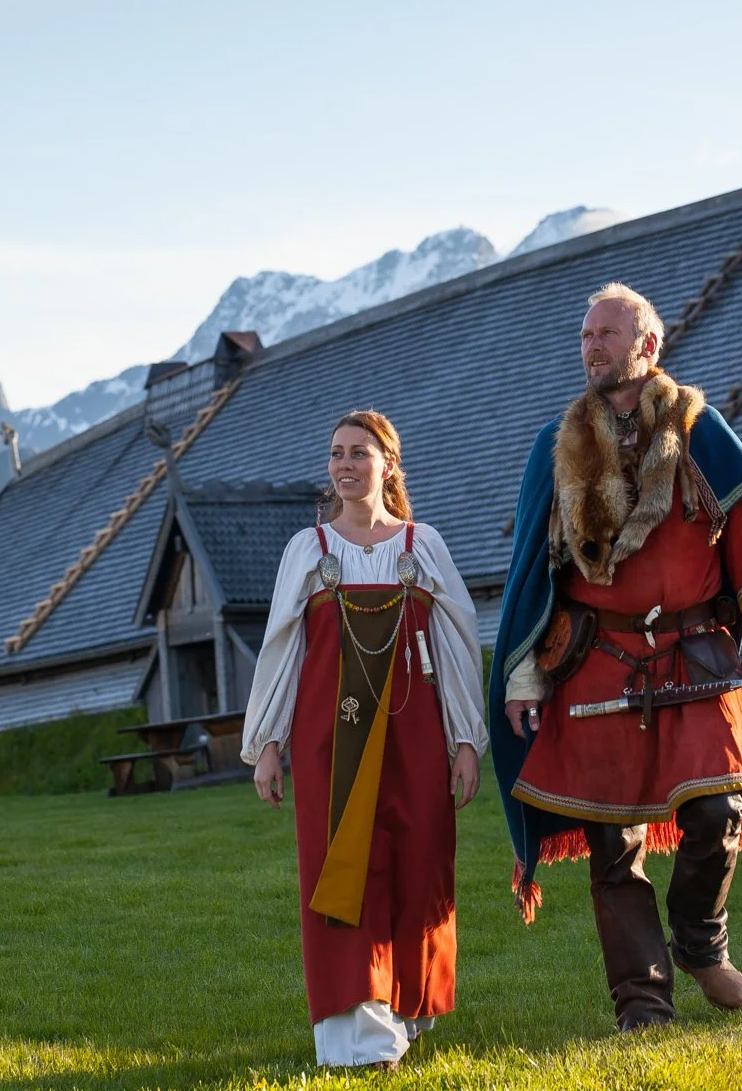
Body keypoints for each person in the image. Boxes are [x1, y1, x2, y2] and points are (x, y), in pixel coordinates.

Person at [487, 283, 742, 1033]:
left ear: (648, 347)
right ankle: (643, 1007)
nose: (592, 345)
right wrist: (521, 675)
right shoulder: (557, 445)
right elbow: (535, 579)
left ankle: (700, 939)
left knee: (718, 809)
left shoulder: (700, 432)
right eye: (585, 334)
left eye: (607, 333)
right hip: (595, 660)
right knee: (614, 848)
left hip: (694, 657)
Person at [243, 410, 490, 1070]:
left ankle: (405, 1011)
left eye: (358, 453)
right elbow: (280, 652)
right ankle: (359, 1037)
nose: (345, 465)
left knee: (419, 864)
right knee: (342, 871)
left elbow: (458, 644)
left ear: (387, 462)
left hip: (414, 732)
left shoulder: (422, 545)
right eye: (335, 454)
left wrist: (465, 738)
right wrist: (268, 741)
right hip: (330, 739)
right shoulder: (308, 549)